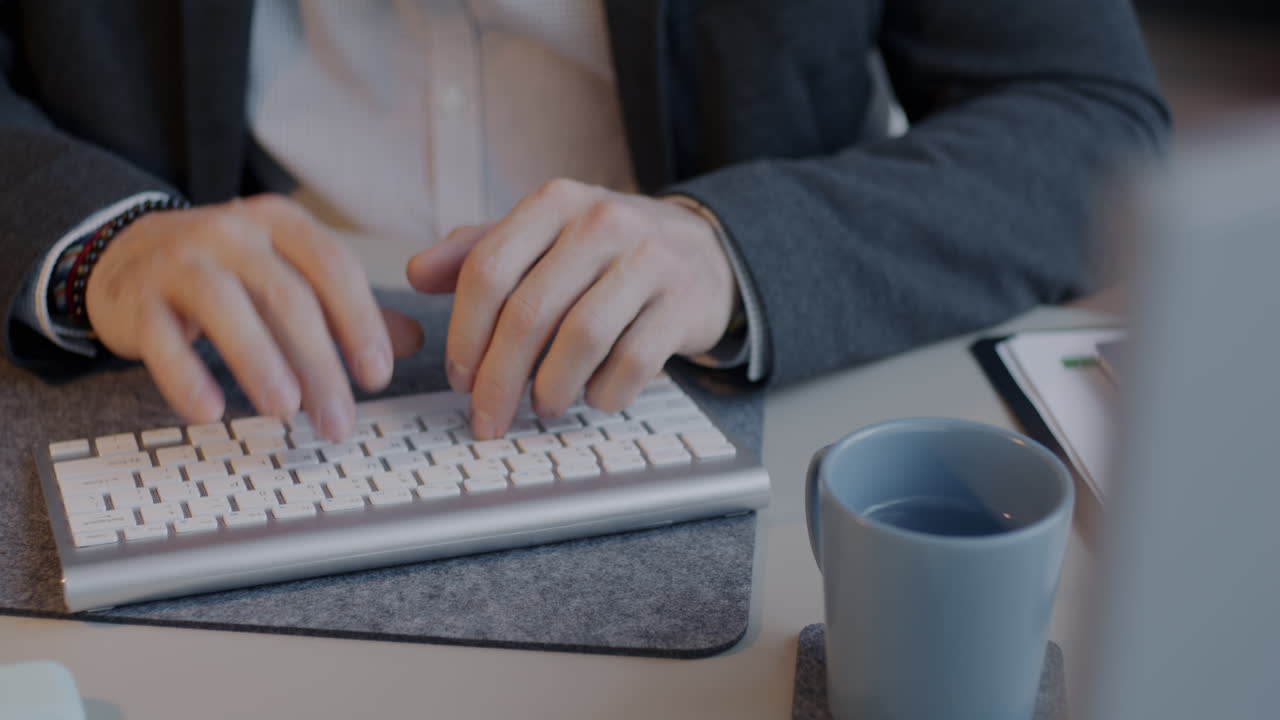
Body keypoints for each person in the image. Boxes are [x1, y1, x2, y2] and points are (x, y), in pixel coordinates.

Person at [0, 1, 1168, 442]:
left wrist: (731, 248)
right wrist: (105, 241)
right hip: (201, 407)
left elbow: (1089, 118)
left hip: (710, 404)